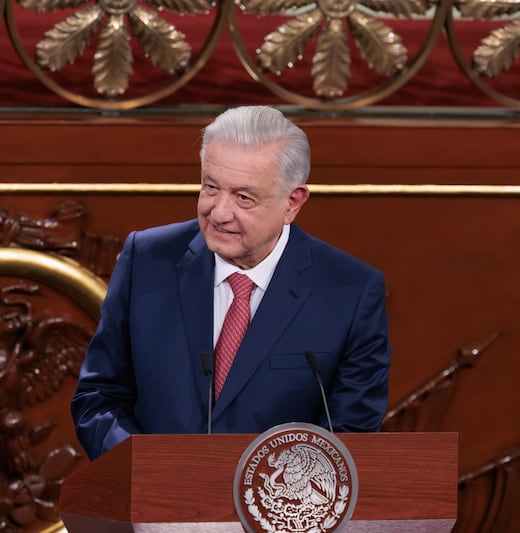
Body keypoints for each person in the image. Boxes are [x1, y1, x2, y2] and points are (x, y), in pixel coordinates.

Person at [71, 106, 391, 461]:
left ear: (292, 203)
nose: (219, 213)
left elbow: (350, 436)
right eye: (211, 188)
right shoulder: (146, 260)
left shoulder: (350, 292)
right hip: (153, 505)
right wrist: (148, 475)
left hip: (280, 509)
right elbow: (98, 398)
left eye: (243, 197)